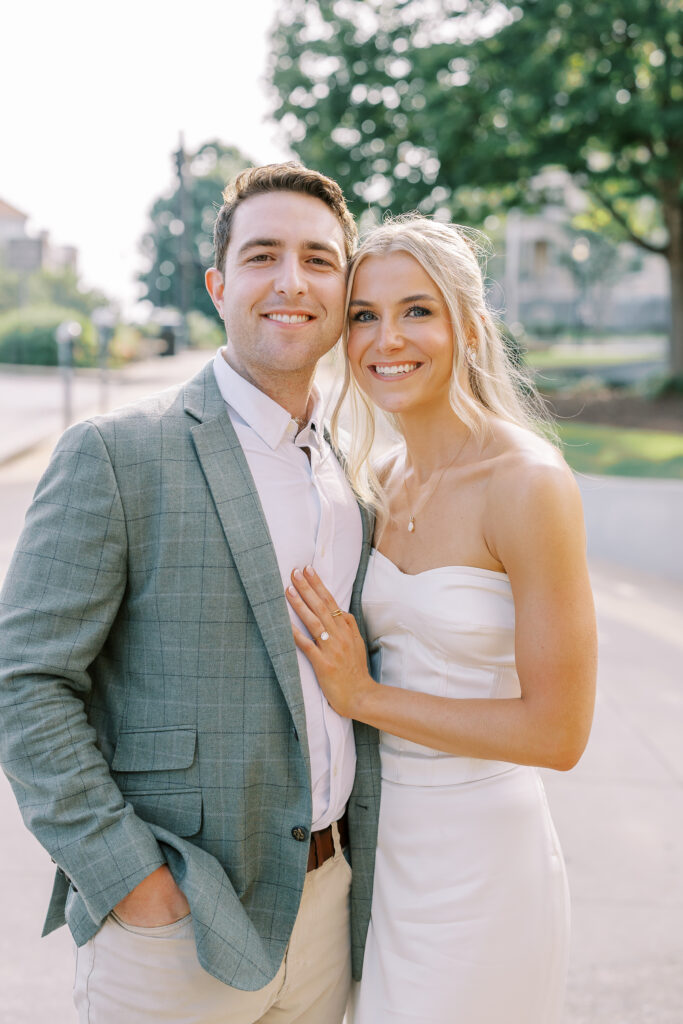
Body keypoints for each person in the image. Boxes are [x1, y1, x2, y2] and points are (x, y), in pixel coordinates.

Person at [0, 163, 381, 1024]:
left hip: (327, 909)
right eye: (263, 256)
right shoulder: (116, 454)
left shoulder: (347, 474)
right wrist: (131, 879)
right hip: (176, 926)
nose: (292, 281)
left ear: (344, 287)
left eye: (319, 260)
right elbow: (24, 682)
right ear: (218, 284)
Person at [286, 215, 598, 1023]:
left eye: (417, 310)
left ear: (470, 328)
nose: (387, 338)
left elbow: (557, 734)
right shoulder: (375, 478)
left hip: (482, 857)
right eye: (364, 315)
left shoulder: (527, 482)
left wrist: (365, 698)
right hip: (381, 849)